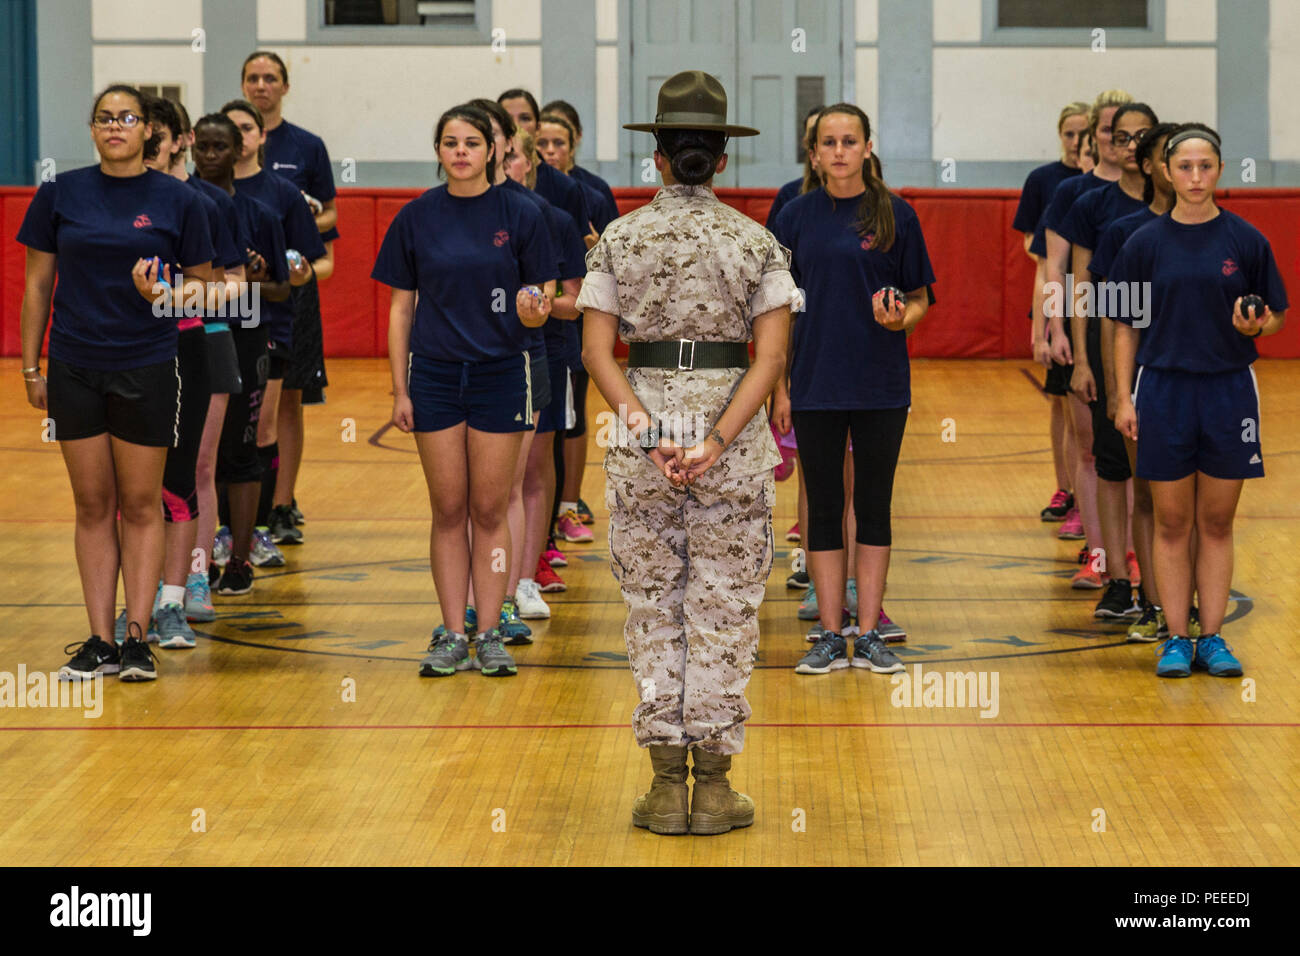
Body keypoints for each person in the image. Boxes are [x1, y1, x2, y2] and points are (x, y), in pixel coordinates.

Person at [579, 70, 795, 835]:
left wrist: (647, 432)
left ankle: (665, 787)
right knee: (723, 607)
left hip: (643, 442)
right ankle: (714, 788)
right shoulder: (757, 242)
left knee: (653, 603)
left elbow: (599, 353)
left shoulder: (617, 238)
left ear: (660, 158)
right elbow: (769, 361)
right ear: (721, 160)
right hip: (728, 440)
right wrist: (712, 441)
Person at [19, 85, 214, 681]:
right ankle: (99, 640)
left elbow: (205, 285)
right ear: (92, 127)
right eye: (104, 117)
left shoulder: (177, 200)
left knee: (139, 503)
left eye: (127, 118)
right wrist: (33, 368)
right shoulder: (61, 193)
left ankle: (136, 637)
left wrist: (164, 296)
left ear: (147, 132)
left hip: (147, 364)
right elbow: (36, 286)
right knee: (92, 505)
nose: (115, 126)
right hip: (74, 364)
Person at [372, 103, 556, 678]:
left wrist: (532, 308)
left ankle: (491, 630)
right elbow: (401, 310)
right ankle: (453, 633)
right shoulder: (415, 217)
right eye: (449, 142)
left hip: (503, 373)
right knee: (448, 509)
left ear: (494, 150)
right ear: (438, 151)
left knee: (488, 509)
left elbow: (539, 302)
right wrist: (399, 389)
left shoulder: (523, 214)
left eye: (471, 142)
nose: (460, 152)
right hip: (434, 377)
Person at [1111, 124, 1287, 678]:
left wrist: (1257, 325)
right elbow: (1122, 326)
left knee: (1215, 522)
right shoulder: (1141, 243)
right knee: (1170, 521)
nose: (1194, 176)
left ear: (1219, 170)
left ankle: (1212, 638)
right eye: (1183, 166)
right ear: (1165, 171)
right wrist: (1122, 397)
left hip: (1229, 390)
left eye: (1205, 166)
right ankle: (1175, 637)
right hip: (1162, 390)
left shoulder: (1247, 240)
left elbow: (1276, 315)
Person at [771, 103, 934, 677]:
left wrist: (901, 320)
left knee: (873, 506)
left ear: (868, 147)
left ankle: (867, 633)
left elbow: (919, 298)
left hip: (880, 386)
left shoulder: (896, 215)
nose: (839, 151)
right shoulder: (793, 218)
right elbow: (777, 312)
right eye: (828, 142)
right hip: (813, 384)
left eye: (850, 140)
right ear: (813, 154)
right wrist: (780, 387)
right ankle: (827, 632)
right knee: (823, 508)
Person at [136, 94, 245, 648]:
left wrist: (178, 297)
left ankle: (192, 577)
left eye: (157, 130)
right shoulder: (114, 202)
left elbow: (235, 283)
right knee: (133, 484)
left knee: (197, 467)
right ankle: (141, 595)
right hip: (133, 352)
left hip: (203, 340)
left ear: (178, 139)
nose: (146, 138)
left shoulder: (206, 202)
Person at [1059, 102, 1158, 619]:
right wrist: (1081, 359)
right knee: (1113, 466)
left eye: (1145, 137)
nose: (1133, 147)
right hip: (1108, 347)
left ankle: (1160, 584)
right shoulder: (1094, 206)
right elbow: (1081, 289)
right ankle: (1115, 575)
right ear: (1109, 145)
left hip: (1162, 356)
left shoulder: (1176, 212)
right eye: (1123, 137)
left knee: (1160, 476)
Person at [190, 111, 290, 615]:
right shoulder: (181, 206)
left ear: (239, 152)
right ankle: (197, 560)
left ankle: (240, 559)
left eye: (219, 148)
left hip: (247, 337)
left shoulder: (261, 215)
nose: (210, 156)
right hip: (192, 338)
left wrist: (250, 281)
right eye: (202, 147)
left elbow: (282, 287)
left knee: (240, 450)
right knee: (193, 458)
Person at [220, 97, 320, 592]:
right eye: (227, 130)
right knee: (216, 434)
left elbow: (312, 263)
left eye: (245, 129)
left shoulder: (281, 195)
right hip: (213, 330)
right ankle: (222, 532)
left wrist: (296, 272)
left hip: (271, 326)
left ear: (261, 137)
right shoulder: (201, 195)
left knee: (259, 431)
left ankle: (255, 531)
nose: (237, 138)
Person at [1086, 121, 1179, 642]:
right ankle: (1152, 600)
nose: (1182, 170)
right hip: (1144, 386)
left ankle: (1184, 601)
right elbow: (1112, 319)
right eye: (1170, 158)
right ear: (1150, 167)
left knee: (1187, 503)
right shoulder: (1128, 235)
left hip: (1201, 387)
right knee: (1147, 494)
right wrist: (1115, 390)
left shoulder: (1222, 234)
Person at [1037, 89, 1134, 584]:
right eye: (1108, 130)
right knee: (1091, 446)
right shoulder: (1073, 194)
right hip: (1087, 330)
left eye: (1130, 131)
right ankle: (1098, 553)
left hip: (1140, 332)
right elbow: (1056, 270)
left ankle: (1133, 554)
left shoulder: (1161, 193)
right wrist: (1054, 328)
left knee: (1140, 450)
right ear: (1096, 136)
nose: (1120, 141)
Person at [242, 50, 339, 542]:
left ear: (284, 86)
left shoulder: (307, 146)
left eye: (270, 78)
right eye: (253, 78)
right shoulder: (227, 140)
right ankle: (242, 501)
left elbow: (330, 219)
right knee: (243, 399)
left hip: (291, 289)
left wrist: (286, 227)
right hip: (238, 289)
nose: (262, 86)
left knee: (289, 399)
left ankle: (281, 502)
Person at [497, 124, 588, 615]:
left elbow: (575, 303)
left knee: (534, 469)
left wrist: (541, 302)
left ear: (531, 164)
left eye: (515, 157)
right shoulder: (464, 219)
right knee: (493, 482)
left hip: (544, 351)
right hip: (484, 358)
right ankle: (488, 585)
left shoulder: (553, 218)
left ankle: (529, 573)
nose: (507, 165)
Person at [1014, 102, 1088, 523]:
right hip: (1057, 297)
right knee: (1061, 402)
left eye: (1085, 134)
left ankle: (1088, 492)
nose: (1077, 142)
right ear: (1060, 135)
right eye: (1070, 134)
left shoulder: (1110, 182)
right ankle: (1066, 487)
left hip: (1097, 304)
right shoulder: (1046, 181)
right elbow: (1034, 247)